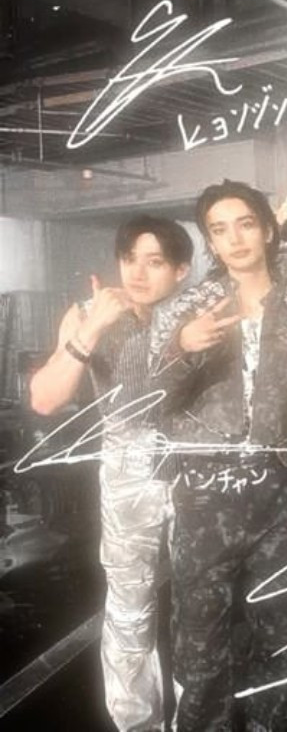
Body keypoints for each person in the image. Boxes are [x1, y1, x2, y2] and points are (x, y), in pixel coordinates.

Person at [152, 179, 287, 731]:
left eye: (246, 224)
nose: (234, 239)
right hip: (204, 497)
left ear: (269, 231)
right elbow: (152, 401)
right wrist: (182, 349)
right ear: (210, 242)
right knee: (200, 642)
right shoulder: (187, 310)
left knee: (283, 635)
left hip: (280, 501)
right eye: (219, 229)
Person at [30, 216, 192, 732]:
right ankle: (137, 723)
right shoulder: (86, 314)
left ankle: (197, 718)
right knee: (130, 603)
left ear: (181, 270)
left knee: (200, 602)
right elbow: (45, 399)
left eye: (155, 261)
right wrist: (92, 328)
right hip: (128, 466)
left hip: (196, 464)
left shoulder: (197, 312)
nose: (138, 273)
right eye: (129, 259)